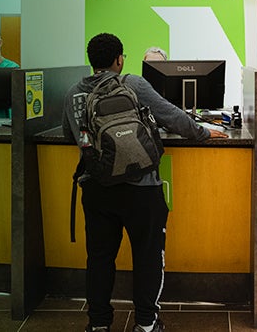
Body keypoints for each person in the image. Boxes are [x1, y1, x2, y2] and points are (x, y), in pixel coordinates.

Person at [62, 33, 227, 332]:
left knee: (99, 259)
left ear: (91, 61)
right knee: (148, 257)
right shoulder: (133, 83)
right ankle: (147, 323)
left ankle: (98, 324)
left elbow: (68, 134)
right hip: (142, 188)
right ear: (119, 59)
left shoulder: (74, 92)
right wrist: (203, 133)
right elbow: (171, 116)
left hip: (97, 188)